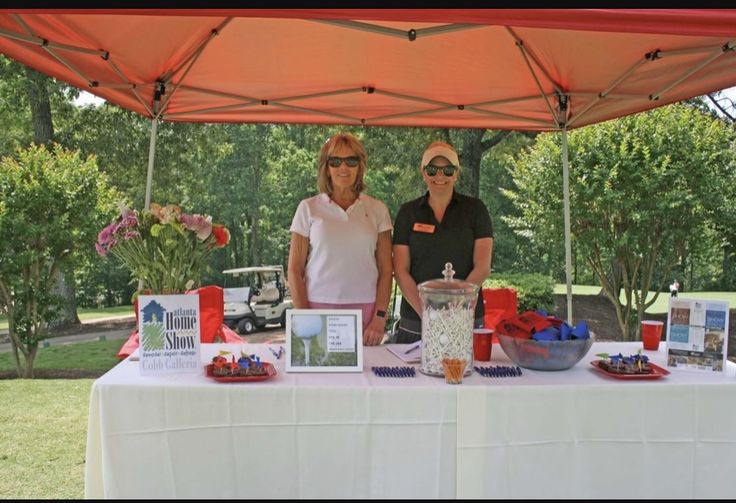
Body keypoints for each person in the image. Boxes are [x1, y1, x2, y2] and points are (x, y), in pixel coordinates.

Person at [288, 133, 393, 346]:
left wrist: (379, 319)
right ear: (326, 167)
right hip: (317, 310)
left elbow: (386, 270)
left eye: (351, 161)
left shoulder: (378, 209)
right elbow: (294, 270)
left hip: (366, 313)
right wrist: (305, 318)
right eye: (335, 161)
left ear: (360, 166)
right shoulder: (308, 208)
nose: (343, 168)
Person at [392, 141, 494, 344]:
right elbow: (400, 270)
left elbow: (482, 267)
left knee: (466, 375)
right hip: (416, 320)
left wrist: (456, 307)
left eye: (448, 170)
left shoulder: (476, 209)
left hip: (465, 317)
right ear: (423, 173)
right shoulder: (407, 212)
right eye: (432, 170)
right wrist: (427, 313)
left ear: (457, 173)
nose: (440, 176)